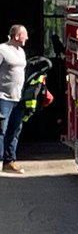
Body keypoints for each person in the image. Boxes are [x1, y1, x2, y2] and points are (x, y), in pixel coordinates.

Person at [0, 24, 30, 174]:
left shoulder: (21, 52)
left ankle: (9, 161)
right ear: (17, 36)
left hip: (18, 97)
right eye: (25, 34)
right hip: (3, 97)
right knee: (1, 130)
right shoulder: (2, 50)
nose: (27, 38)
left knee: (15, 129)